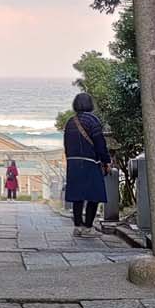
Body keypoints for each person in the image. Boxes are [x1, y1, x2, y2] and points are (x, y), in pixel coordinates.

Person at [63, 92, 110, 237]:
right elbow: (100, 143)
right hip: (90, 162)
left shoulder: (70, 122)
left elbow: (66, 144)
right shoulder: (93, 121)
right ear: (90, 104)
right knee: (93, 196)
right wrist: (106, 160)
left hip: (73, 163)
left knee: (77, 196)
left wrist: (70, 159)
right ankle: (88, 227)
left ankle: (77, 226)